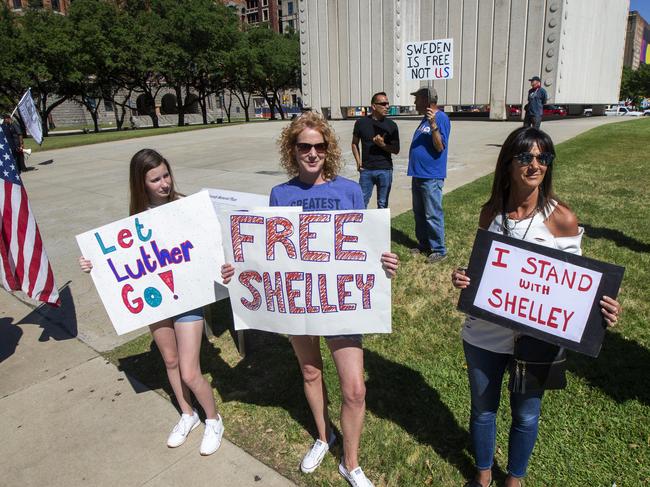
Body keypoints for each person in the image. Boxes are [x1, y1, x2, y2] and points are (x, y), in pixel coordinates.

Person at [221, 112, 399, 487]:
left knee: (355, 388)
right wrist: (237, 268)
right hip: (300, 299)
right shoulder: (280, 195)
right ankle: (324, 436)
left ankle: (350, 463)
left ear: (328, 149)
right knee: (310, 370)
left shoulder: (350, 190)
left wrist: (384, 259)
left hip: (341, 301)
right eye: (305, 146)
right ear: (293, 149)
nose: (313, 153)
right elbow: (269, 254)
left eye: (320, 146)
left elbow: (363, 244)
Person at [451, 127, 622, 487]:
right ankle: (482, 476)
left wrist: (601, 308)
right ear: (509, 164)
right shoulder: (491, 213)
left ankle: (514, 480)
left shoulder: (562, 218)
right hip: (486, 332)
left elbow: (576, 285)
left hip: (538, 337)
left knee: (526, 415)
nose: (535, 165)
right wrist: (465, 278)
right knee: (483, 409)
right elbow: (482, 270)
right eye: (526, 157)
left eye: (543, 157)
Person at [79, 149, 224, 456]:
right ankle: (188, 414)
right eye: (155, 179)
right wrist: (95, 264)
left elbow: (210, 245)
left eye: (166, 175)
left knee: (189, 371)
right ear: (141, 183)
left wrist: (222, 264)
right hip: (154, 302)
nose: (164, 184)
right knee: (169, 361)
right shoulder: (134, 223)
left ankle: (213, 419)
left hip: (186, 299)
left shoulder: (186, 207)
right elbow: (120, 261)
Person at [407, 86, 451, 263]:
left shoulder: (440, 118)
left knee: (432, 213)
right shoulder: (424, 119)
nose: (415, 102)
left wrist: (433, 125)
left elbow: (440, 147)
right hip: (418, 174)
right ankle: (424, 244)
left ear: (427, 100)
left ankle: (439, 250)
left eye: (417, 98)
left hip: (431, 176)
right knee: (419, 212)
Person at [351, 92, 400, 209]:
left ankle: (381, 228)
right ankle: (361, 227)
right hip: (366, 170)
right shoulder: (361, 123)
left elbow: (396, 150)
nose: (387, 106)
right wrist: (358, 162)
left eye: (388, 103)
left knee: (382, 204)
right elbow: (354, 143)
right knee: (361, 203)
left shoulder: (392, 125)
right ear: (374, 106)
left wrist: (382, 145)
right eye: (383, 104)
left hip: (385, 170)